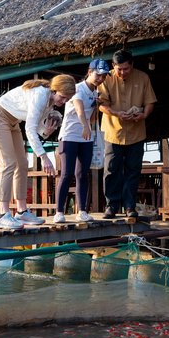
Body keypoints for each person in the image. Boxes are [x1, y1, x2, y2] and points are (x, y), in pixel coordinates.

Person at [0, 74, 76, 229]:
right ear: (54, 90)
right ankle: (2, 214)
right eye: (62, 97)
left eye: (67, 99)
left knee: (22, 163)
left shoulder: (49, 101)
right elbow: (29, 129)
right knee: (9, 163)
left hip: (13, 122)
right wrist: (44, 157)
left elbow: (37, 128)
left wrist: (46, 132)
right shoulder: (41, 94)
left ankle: (21, 211)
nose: (63, 101)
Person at [98, 50, 157, 218]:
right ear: (113, 66)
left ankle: (130, 207)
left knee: (133, 170)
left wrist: (144, 114)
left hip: (137, 132)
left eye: (126, 69)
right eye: (119, 69)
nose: (122, 72)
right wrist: (116, 113)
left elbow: (150, 101)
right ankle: (111, 206)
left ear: (132, 65)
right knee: (111, 169)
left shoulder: (143, 77)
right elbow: (101, 104)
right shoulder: (106, 78)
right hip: (112, 131)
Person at [53, 59, 110, 223]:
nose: (100, 79)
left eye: (104, 76)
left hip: (85, 139)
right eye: (98, 75)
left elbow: (91, 118)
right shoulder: (77, 89)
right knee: (66, 173)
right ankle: (59, 212)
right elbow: (78, 108)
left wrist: (97, 106)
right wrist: (85, 126)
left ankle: (82, 210)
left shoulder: (95, 93)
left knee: (83, 174)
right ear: (90, 71)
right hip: (70, 136)